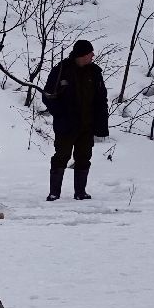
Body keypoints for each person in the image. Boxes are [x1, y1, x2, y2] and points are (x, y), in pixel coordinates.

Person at [42, 39, 109, 201]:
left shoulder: (95, 72)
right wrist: (61, 114)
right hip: (66, 125)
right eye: (89, 53)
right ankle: (54, 193)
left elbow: (101, 100)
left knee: (84, 157)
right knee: (61, 156)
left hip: (87, 126)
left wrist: (101, 124)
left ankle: (80, 192)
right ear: (81, 55)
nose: (93, 56)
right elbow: (48, 96)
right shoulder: (61, 70)